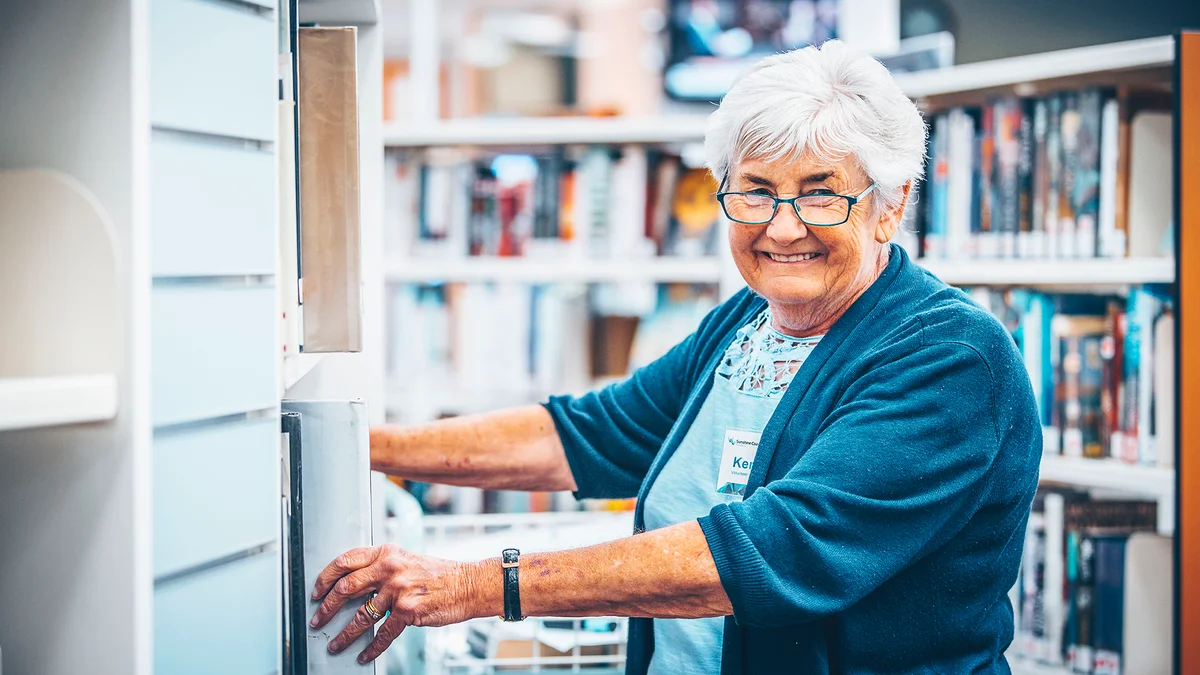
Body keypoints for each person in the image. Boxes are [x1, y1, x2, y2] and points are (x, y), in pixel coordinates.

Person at [309, 39, 1041, 674]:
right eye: (755, 191)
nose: (783, 228)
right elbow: (589, 434)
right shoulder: (747, 323)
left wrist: (476, 585)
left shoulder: (952, 359)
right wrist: (352, 445)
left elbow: (768, 554)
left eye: (821, 196)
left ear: (891, 203)